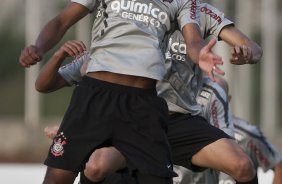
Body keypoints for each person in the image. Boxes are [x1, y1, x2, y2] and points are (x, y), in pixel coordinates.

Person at [36, 2, 260, 183]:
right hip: (137, 115)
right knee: (96, 166)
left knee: (242, 166)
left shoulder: (195, 10)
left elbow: (249, 47)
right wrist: (48, 53)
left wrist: (246, 52)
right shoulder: (123, 21)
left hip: (178, 120)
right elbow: (47, 80)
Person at [174, 75, 282, 184]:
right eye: (205, 95)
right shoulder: (179, 130)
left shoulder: (247, 136)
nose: (208, 102)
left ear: (227, 100)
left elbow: (278, 165)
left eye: (217, 96)